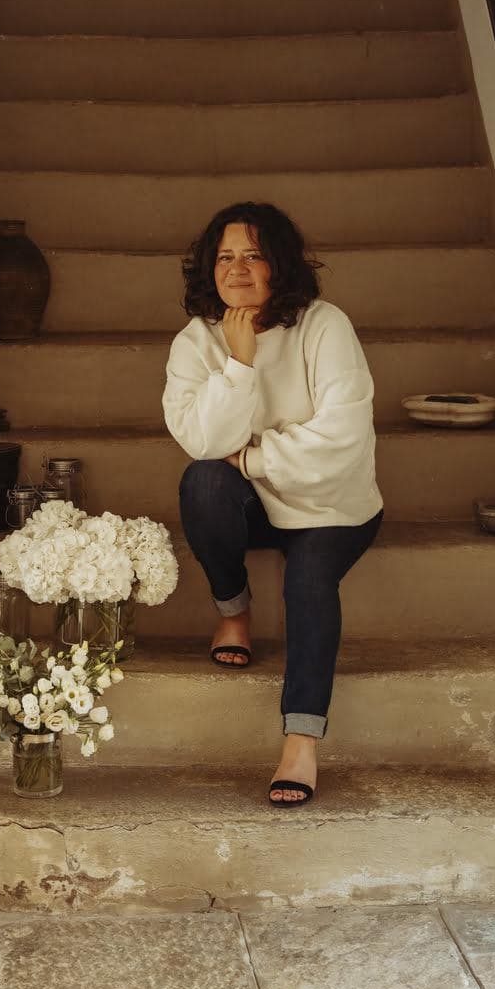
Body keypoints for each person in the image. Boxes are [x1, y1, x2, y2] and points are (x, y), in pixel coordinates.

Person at [162, 201, 384, 807]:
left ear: (279, 265)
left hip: (332, 505)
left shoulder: (324, 325)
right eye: (225, 256)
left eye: (253, 255)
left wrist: (252, 459)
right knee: (203, 483)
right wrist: (237, 364)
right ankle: (233, 610)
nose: (237, 269)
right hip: (256, 501)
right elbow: (204, 444)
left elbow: (341, 443)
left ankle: (301, 741)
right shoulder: (197, 342)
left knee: (310, 580)